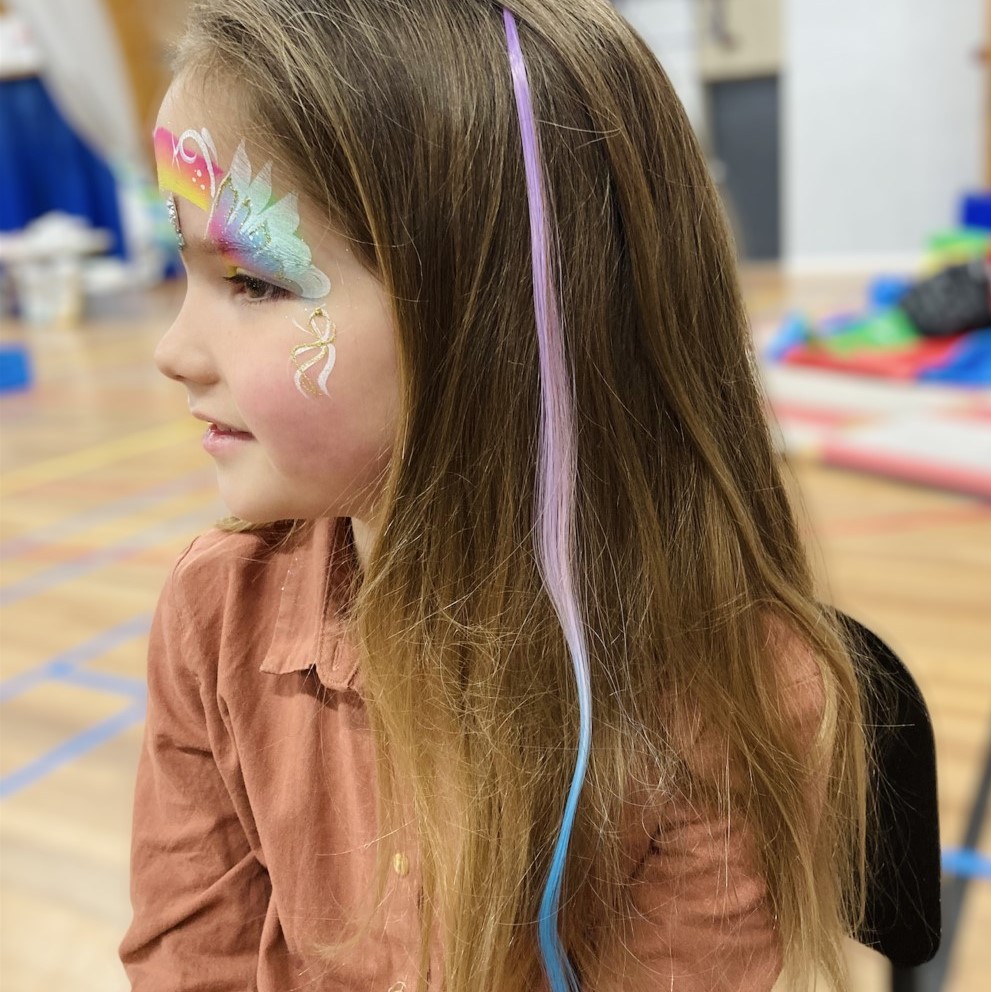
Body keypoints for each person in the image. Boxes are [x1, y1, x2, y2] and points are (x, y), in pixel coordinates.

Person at [119, 2, 870, 990]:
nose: (172, 352)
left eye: (254, 281)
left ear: (503, 320)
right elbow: (189, 950)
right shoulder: (214, 608)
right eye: (187, 267)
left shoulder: (724, 693)